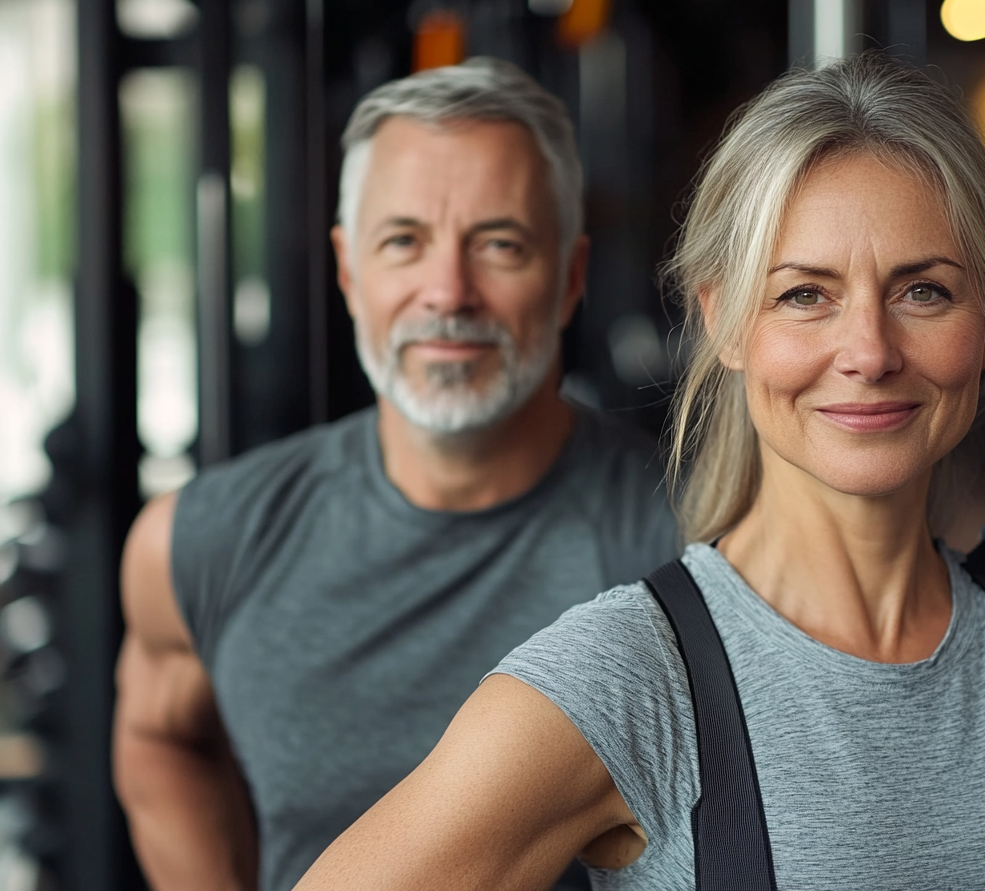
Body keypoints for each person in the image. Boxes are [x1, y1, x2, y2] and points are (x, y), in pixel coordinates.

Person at [289, 52, 985, 891]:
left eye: (924, 290)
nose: (867, 350)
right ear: (726, 322)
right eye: (804, 295)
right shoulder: (630, 677)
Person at [112, 57, 679, 891]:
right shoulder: (201, 540)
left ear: (569, 279)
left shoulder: (694, 538)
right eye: (403, 242)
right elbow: (161, 739)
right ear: (349, 271)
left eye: (499, 244)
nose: (447, 293)